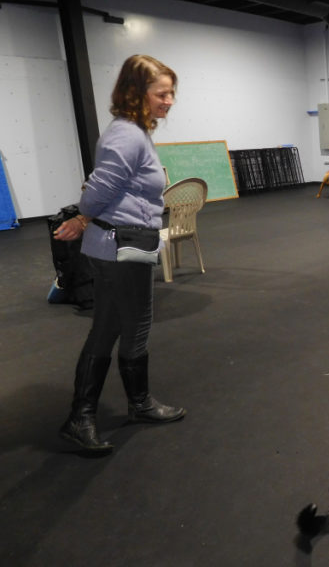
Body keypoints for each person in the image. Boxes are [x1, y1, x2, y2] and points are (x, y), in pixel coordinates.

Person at [54, 54, 186, 453]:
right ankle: (84, 417)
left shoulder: (135, 132)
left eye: (171, 93)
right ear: (137, 93)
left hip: (127, 243)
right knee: (119, 326)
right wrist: (81, 218)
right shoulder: (127, 135)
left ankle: (134, 404)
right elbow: (100, 188)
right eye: (162, 93)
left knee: (125, 324)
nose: (169, 101)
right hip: (117, 247)